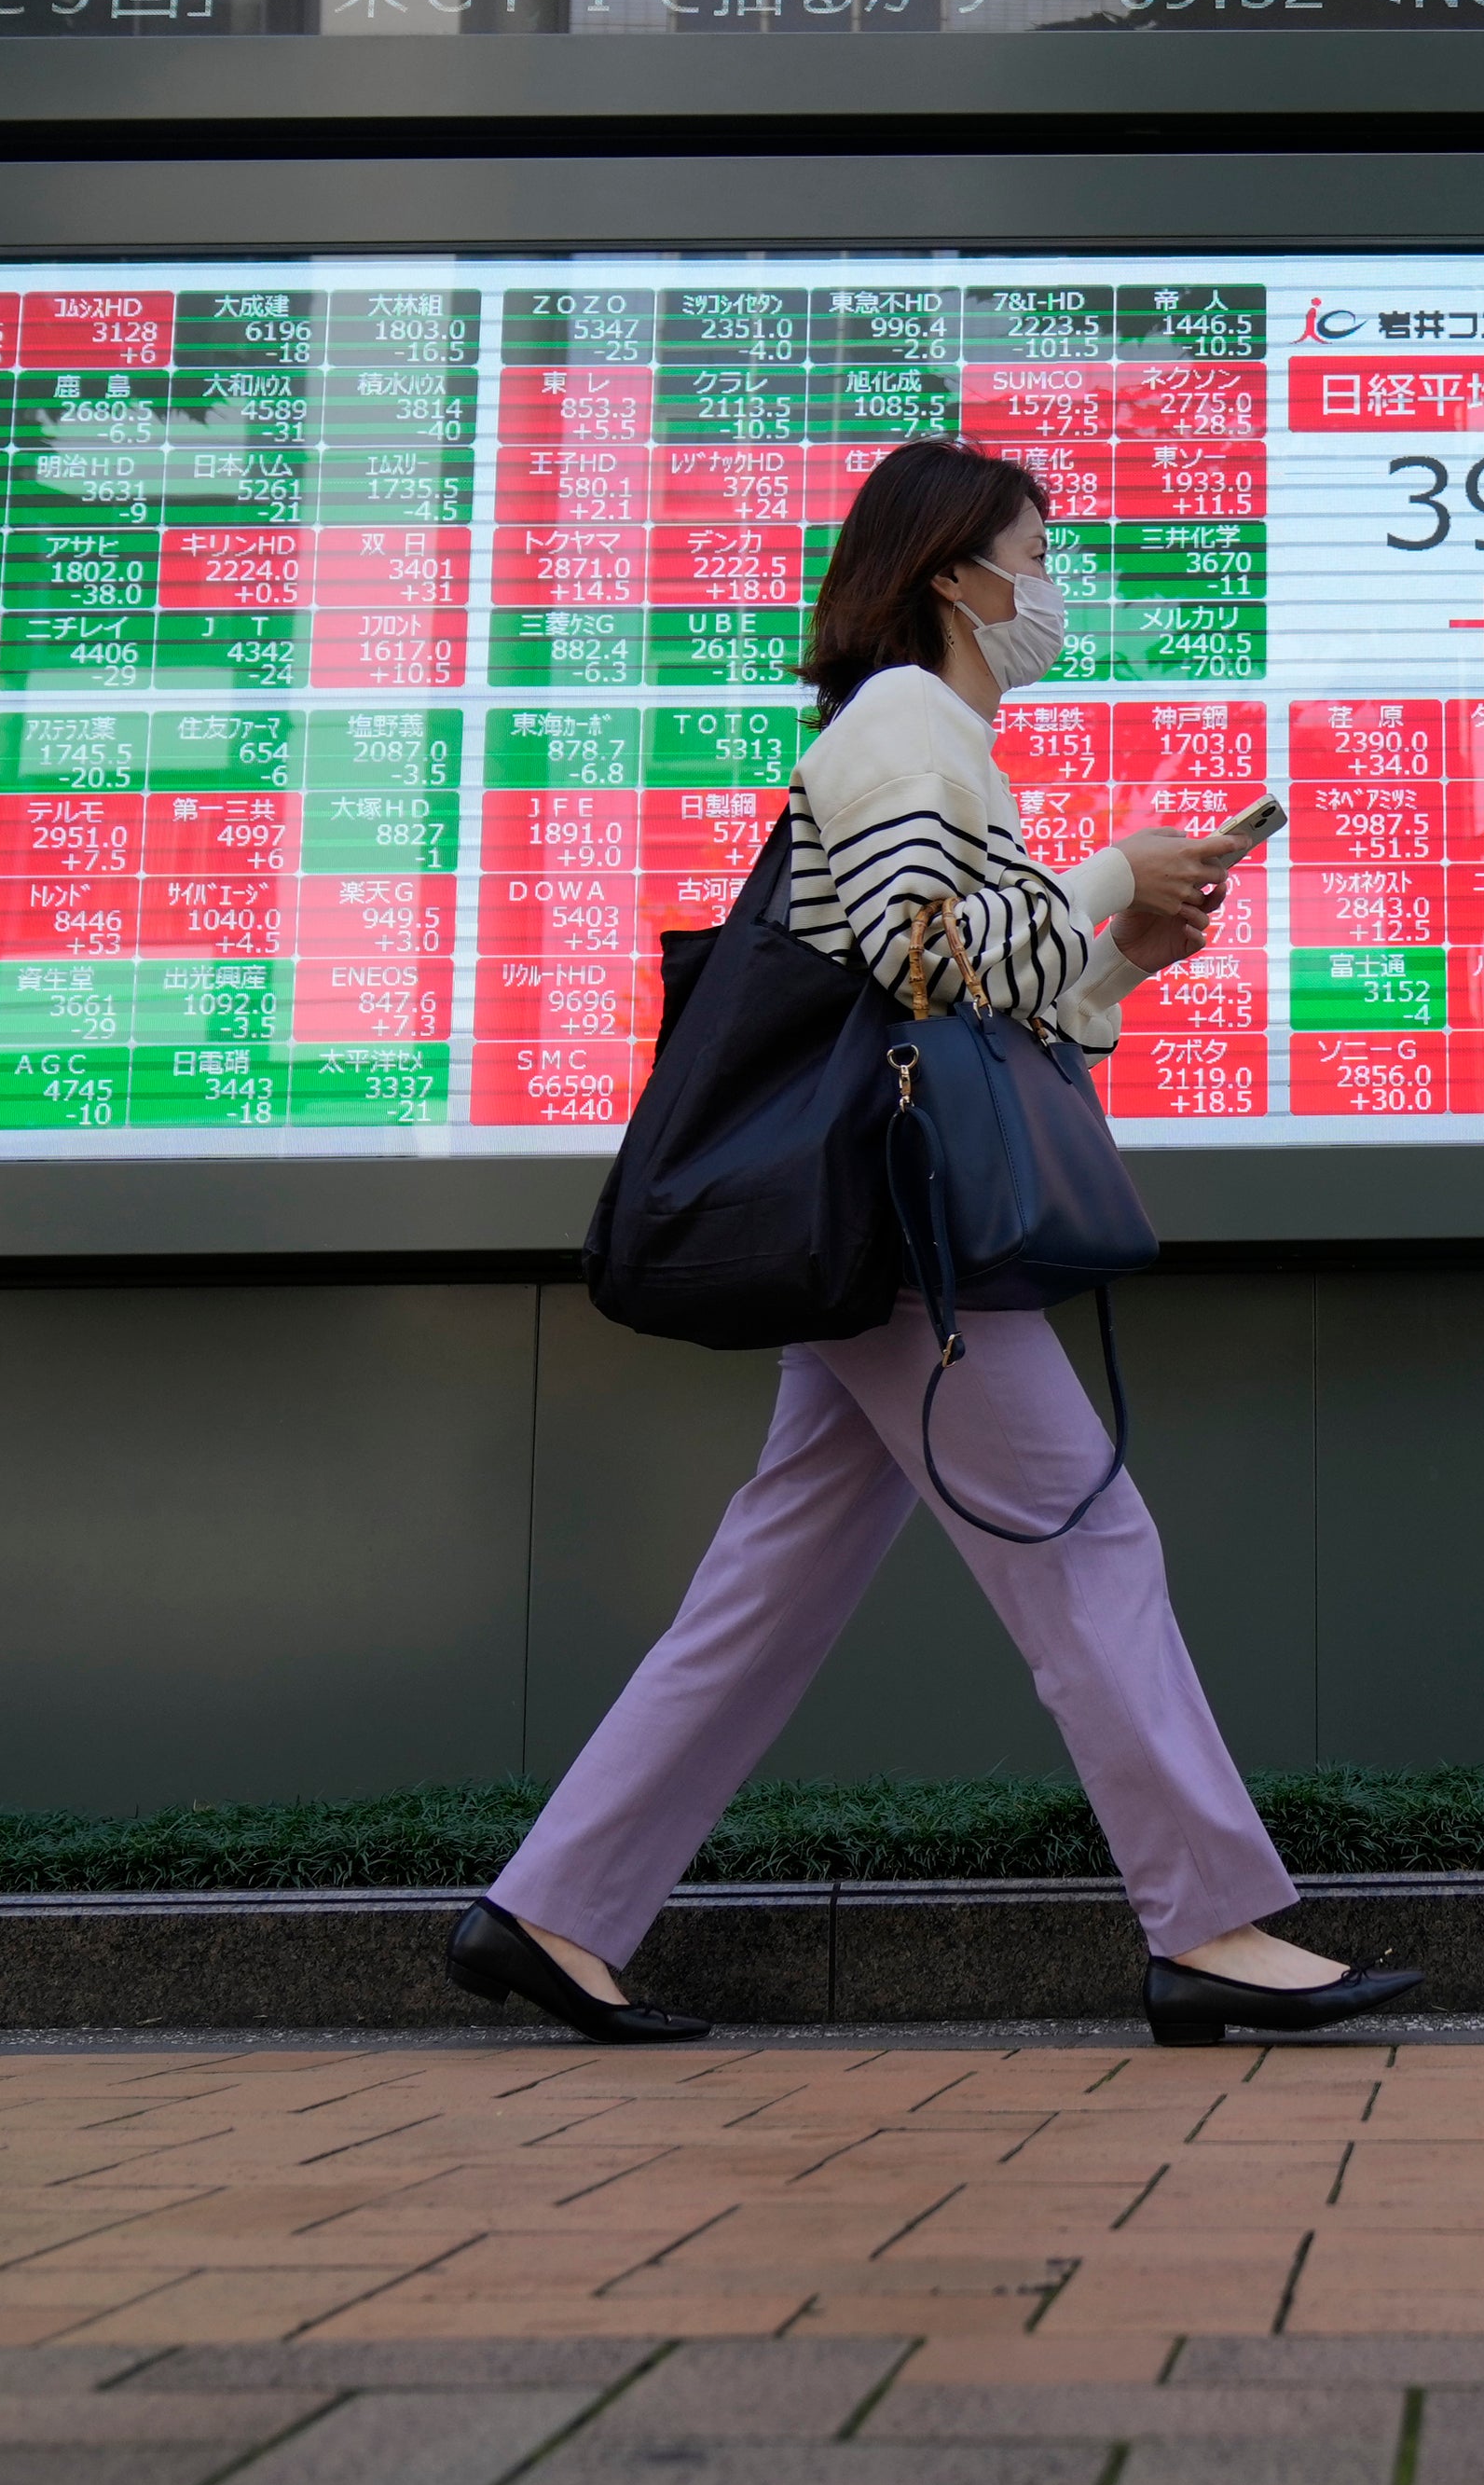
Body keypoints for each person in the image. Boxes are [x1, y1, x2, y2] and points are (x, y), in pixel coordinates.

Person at [448, 437, 1421, 2050]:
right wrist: (1110, 867)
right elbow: (919, 958)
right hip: (899, 1238)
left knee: (770, 1586)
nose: (1051, 586)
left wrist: (1121, 951)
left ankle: (553, 1909)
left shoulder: (936, 733)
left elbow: (999, 1004)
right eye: (1035, 551)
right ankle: (1211, 1926)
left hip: (872, 1228)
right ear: (952, 572)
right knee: (1086, 1538)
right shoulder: (909, 716)